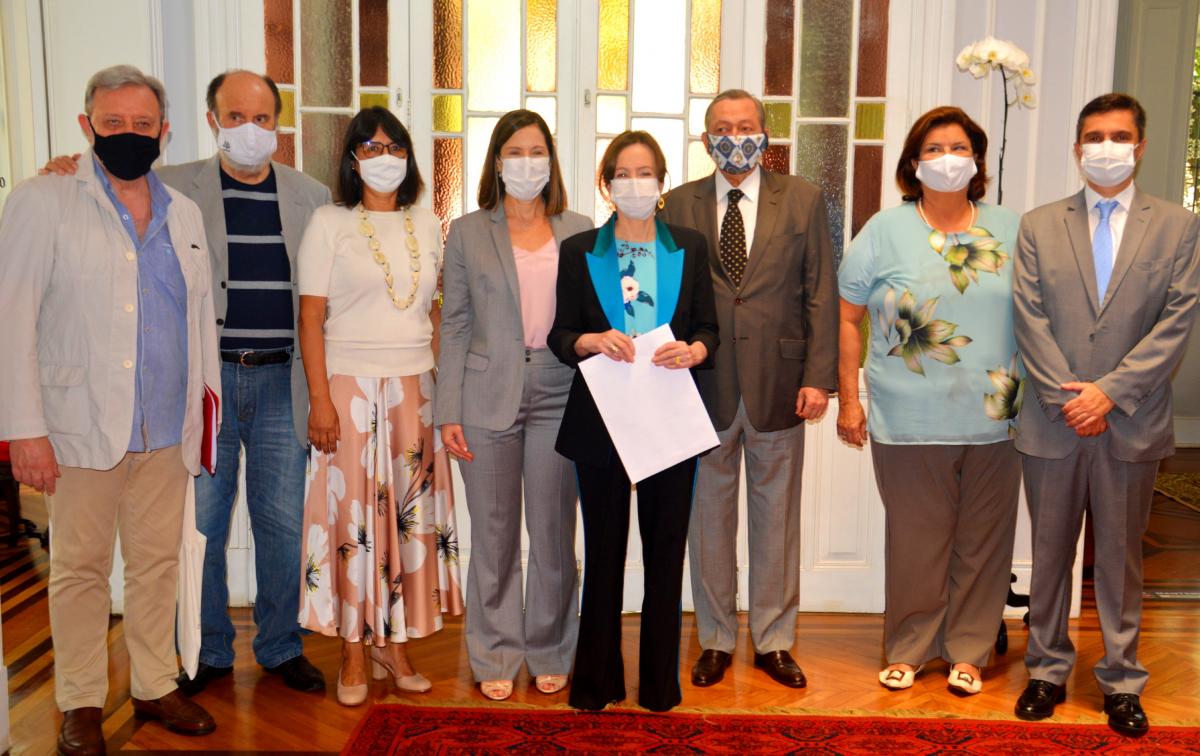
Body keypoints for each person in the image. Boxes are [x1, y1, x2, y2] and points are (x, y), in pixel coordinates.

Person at [38, 69, 332, 696]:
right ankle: (209, 650)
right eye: (235, 116)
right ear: (209, 121)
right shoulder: (169, 185)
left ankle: (281, 645)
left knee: (282, 524)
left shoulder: (313, 196)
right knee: (202, 524)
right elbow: (99, 182)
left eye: (262, 118)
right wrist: (63, 168)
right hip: (206, 387)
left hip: (282, 380)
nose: (249, 129)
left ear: (278, 125)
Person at [0, 64, 221, 755]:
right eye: (113, 122)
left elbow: (199, 322)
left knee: (156, 565)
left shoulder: (184, 213)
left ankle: (154, 683)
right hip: (80, 428)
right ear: (86, 126)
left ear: (164, 131)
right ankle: (81, 700)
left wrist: (203, 423)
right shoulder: (43, 201)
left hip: (166, 428)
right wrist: (24, 430)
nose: (129, 133)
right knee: (80, 570)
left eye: (142, 124)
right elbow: (12, 320)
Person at [1012, 93, 1200, 737]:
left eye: (1119, 136)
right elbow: (1029, 318)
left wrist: (1109, 394)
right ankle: (1046, 671)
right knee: (1049, 553)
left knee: (1121, 560)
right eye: (1094, 136)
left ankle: (1122, 680)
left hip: (1131, 420)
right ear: (1076, 148)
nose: (1106, 147)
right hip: (1053, 420)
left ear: (1139, 147)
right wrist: (1072, 399)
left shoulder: (1177, 226)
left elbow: (1176, 321)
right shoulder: (1038, 225)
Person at [836, 107, 1022, 696]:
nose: (948, 159)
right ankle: (910, 648)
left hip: (997, 414)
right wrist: (849, 399)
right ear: (914, 163)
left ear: (977, 160)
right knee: (917, 541)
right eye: (934, 149)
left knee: (984, 541)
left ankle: (969, 650)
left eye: (959, 147)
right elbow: (846, 315)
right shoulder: (884, 230)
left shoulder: (1012, 228)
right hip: (907, 416)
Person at [658, 89, 837, 690]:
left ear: (765, 133)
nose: (734, 137)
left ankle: (774, 641)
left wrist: (818, 378)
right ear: (705, 138)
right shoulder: (678, 203)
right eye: (722, 127)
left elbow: (820, 292)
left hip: (781, 385)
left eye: (745, 126)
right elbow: (668, 294)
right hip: (701, 385)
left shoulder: (803, 199)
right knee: (708, 522)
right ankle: (714, 639)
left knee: (776, 522)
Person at [296, 106, 464, 707]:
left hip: (414, 391)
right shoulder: (329, 222)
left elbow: (435, 314)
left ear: (408, 157)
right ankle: (351, 648)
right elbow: (310, 317)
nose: (384, 158)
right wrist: (320, 400)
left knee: (408, 521)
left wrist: (447, 393)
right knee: (353, 524)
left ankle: (395, 647)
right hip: (349, 388)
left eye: (394, 147)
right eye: (370, 148)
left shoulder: (427, 223)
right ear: (352, 159)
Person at [548, 130, 718, 712]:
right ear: (607, 184)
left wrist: (695, 349)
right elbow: (560, 335)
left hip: (669, 418)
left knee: (666, 553)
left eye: (645, 173)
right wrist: (590, 340)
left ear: (662, 183)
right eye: (623, 173)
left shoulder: (689, 246)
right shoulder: (579, 250)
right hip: (601, 420)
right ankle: (596, 685)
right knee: (603, 553)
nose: (635, 183)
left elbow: (709, 328)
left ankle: (659, 688)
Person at [435, 110, 592, 701]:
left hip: (561, 388)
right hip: (485, 394)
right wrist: (447, 410)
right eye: (516, 152)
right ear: (498, 162)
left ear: (551, 160)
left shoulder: (579, 228)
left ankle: (551, 648)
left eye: (537, 151)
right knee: (495, 533)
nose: (527, 163)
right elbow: (454, 325)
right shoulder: (467, 231)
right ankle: (496, 651)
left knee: (552, 532)